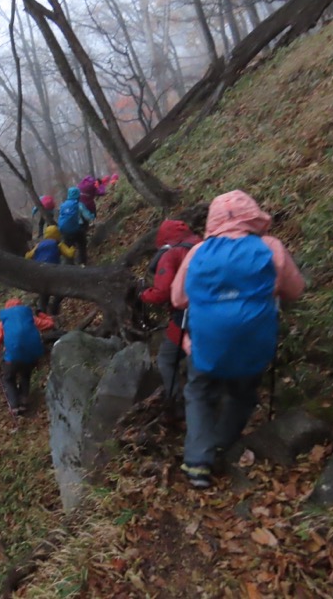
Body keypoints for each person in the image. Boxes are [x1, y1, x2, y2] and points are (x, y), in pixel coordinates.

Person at [171, 190, 305, 488]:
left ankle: (198, 462)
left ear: (212, 220)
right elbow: (295, 291)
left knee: (200, 393)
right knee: (243, 394)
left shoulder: (197, 253)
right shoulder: (270, 248)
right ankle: (221, 443)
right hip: (253, 345)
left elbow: (178, 298)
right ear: (253, 215)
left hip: (206, 345)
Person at [138, 220, 201, 421]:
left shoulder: (171, 254)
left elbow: (162, 292)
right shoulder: (203, 243)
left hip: (185, 318)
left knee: (166, 359)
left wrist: (143, 294)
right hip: (211, 312)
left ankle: (178, 405)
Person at [0, 299, 55, 415]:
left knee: (8, 378)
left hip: (12, 359)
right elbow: (50, 323)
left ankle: (15, 406)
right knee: (25, 375)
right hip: (31, 356)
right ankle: (23, 401)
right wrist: (41, 314)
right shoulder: (30, 319)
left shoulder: (2, 324)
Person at [25, 225, 76, 314]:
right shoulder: (57, 244)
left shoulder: (39, 245)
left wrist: (28, 253)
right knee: (60, 291)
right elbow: (70, 254)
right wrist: (73, 247)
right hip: (53, 272)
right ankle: (54, 308)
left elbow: (28, 256)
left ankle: (42, 313)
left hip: (40, 273)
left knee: (43, 294)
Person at [58, 186, 95, 265]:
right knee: (82, 244)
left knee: (68, 249)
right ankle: (82, 262)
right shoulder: (79, 204)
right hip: (76, 229)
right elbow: (87, 217)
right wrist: (92, 216)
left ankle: (70, 265)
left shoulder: (63, 205)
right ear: (78, 195)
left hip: (65, 231)